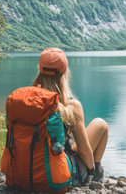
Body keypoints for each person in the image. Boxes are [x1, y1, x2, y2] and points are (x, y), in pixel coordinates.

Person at [33, 47, 108, 185]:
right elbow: (84, 151)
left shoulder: (29, 99)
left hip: (28, 169)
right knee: (100, 124)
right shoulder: (71, 105)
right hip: (58, 172)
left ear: (40, 69)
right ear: (65, 72)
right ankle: (96, 173)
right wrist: (89, 169)